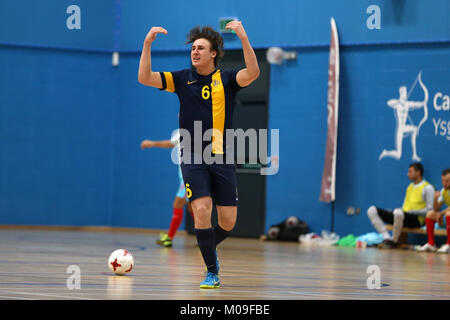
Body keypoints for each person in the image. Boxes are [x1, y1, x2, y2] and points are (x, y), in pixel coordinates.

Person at [138, 21, 260, 288]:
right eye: (193, 48)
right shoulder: (182, 79)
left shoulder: (226, 79)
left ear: (213, 53)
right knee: (202, 209)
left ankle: (207, 245)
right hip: (192, 154)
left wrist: (243, 35)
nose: (195, 52)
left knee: (228, 221)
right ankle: (212, 271)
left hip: (221, 156)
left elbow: (253, 72)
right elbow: (145, 78)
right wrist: (147, 44)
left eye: (201, 48)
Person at [141, 129, 193, 247]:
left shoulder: (197, 129)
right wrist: (152, 143)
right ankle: (208, 238)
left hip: (190, 175)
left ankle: (169, 238)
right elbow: (171, 143)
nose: (179, 114)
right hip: (184, 174)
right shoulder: (181, 131)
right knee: (192, 208)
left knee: (178, 203)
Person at [367, 163, 435, 249]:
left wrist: (409, 212)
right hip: (403, 216)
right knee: (372, 210)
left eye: (410, 172)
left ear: (418, 172)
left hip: (417, 220)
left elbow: (430, 211)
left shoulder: (428, 187)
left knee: (399, 213)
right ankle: (387, 238)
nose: (408, 174)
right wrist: (395, 212)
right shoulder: (410, 187)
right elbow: (404, 207)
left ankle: (394, 241)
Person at [415, 168, 450, 253]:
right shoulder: (443, 191)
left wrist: (441, 214)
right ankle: (431, 244)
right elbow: (436, 208)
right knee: (430, 214)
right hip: (446, 218)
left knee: (449, 214)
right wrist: (435, 198)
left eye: (447, 181)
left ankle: (449, 244)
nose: (444, 183)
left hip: (447, 215)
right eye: (443, 181)